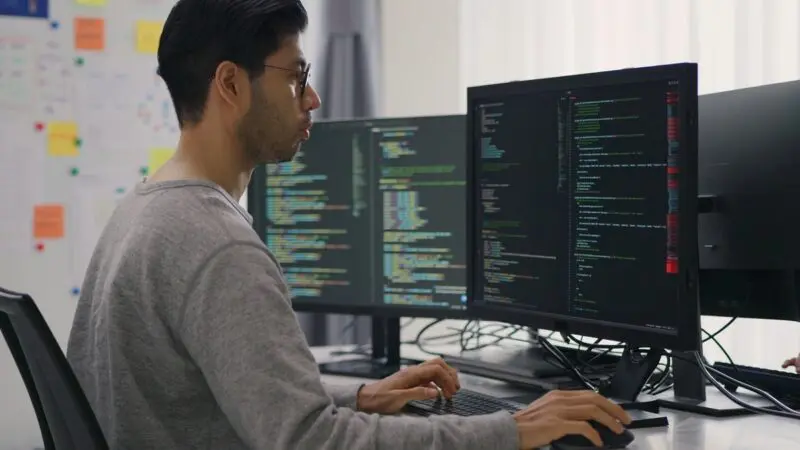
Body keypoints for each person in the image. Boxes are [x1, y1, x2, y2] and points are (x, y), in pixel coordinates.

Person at [65, 0, 631, 449]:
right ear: (232, 85)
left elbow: (247, 401)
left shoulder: (144, 208)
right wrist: (511, 431)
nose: (311, 97)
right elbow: (311, 441)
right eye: (295, 76)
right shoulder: (217, 246)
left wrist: (357, 396)